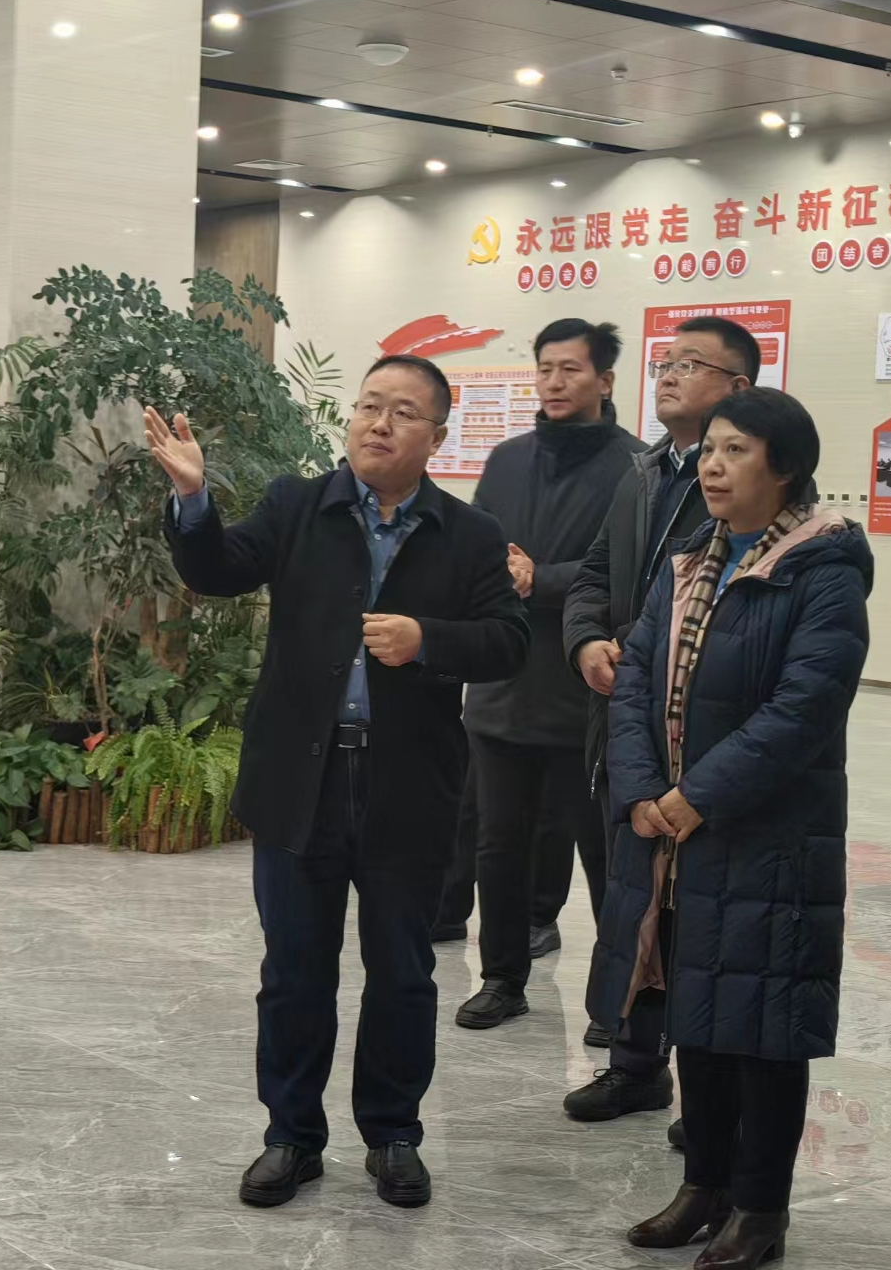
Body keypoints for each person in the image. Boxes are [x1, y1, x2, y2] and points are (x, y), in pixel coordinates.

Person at [145, 355, 529, 1211]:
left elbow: (509, 641)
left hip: (408, 789)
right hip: (299, 782)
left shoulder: (470, 534)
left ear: (437, 436)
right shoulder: (297, 505)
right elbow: (216, 571)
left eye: (402, 413)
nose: (378, 424)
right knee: (294, 971)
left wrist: (427, 640)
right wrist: (194, 498)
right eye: (368, 406)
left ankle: (393, 1134)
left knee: (403, 973)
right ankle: (290, 1136)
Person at [607, 387, 871, 1270]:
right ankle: (704, 1186)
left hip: (770, 836)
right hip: (678, 832)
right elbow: (636, 677)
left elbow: (804, 709)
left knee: (766, 1030)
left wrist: (699, 797)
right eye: (710, 450)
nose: (713, 467)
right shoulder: (691, 558)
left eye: (736, 451)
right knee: (699, 1014)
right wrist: (643, 789)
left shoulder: (824, 568)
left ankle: (760, 1209)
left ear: (785, 467)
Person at [563, 315, 753, 1125]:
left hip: (706, 726)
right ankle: (636, 1065)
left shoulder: (756, 485)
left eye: (690, 364)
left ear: (737, 387)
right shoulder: (641, 471)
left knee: (703, 911)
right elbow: (595, 573)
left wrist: (646, 658)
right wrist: (585, 643)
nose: (668, 375)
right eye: (665, 363)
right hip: (626, 719)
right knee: (630, 895)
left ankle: (710, 1098)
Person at [455, 319, 643, 1031]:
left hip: (588, 689)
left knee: (604, 853)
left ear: (605, 380)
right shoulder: (507, 459)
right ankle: (502, 979)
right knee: (499, 843)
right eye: (545, 369)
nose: (554, 382)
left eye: (570, 369)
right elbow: (478, 547)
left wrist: (543, 579)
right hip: (502, 686)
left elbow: (634, 576)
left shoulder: (638, 468)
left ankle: (615, 998)